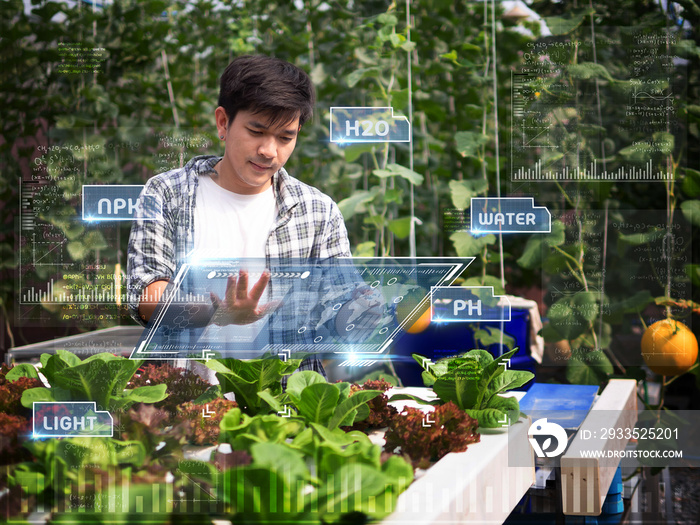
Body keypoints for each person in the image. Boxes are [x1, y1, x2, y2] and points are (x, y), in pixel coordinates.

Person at [127, 54, 351, 377]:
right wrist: (215, 313)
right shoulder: (167, 193)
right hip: (185, 405)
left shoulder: (318, 211)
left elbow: (342, 309)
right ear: (223, 122)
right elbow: (145, 295)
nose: (269, 151)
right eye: (257, 131)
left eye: (286, 137)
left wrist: (372, 311)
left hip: (285, 410)